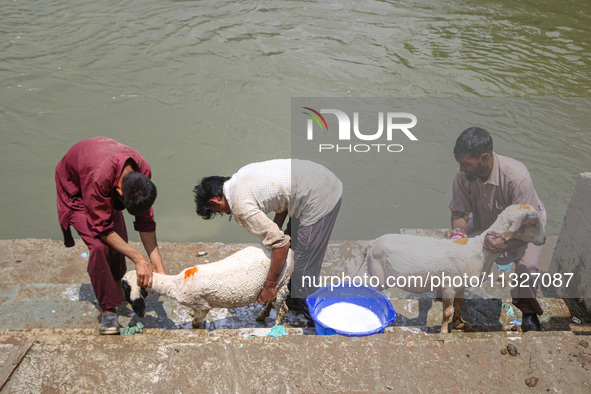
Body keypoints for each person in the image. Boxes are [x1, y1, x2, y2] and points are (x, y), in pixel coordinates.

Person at [193, 159, 342, 326]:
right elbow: (282, 200)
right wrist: (275, 229)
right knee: (291, 247)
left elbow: (281, 244)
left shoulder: (240, 206)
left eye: (218, 211)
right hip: (314, 179)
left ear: (215, 201)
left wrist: (270, 286)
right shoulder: (240, 177)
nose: (224, 213)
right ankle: (294, 301)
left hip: (321, 194)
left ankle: (317, 322)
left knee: (303, 266)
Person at [55, 137, 165, 334]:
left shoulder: (142, 172)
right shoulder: (99, 179)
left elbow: (146, 221)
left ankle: (116, 286)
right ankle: (108, 309)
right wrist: (138, 258)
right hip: (78, 190)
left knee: (119, 239)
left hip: (102, 172)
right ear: (118, 192)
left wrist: (159, 270)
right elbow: (102, 228)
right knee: (99, 246)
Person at [446, 127, 547, 332]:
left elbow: (527, 227)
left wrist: (504, 243)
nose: (462, 169)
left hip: (525, 228)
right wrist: (459, 234)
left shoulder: (517, 178)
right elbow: (459, 213)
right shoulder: (462, 175)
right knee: (452, 250)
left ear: (484, 158)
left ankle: (528, 312)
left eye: (466, 164)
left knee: (527, 269)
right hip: (486, 223)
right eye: (460, 164)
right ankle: (451, 296)